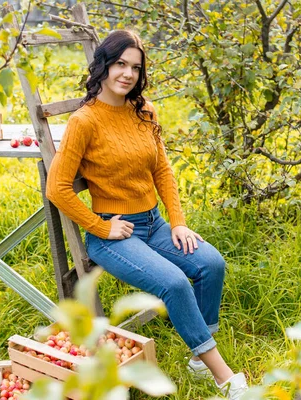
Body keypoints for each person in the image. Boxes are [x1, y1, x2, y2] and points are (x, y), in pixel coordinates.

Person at [47, 30, 248, 399]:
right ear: (104, 66)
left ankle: (199, 358)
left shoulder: (144, 111)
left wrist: (179, 222)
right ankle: (224, 377)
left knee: (211, 264)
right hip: (115, 234)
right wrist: (100, 227)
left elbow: (163, 171)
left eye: (135, 68)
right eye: (120, 64)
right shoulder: (84, 121)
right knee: (173, 283)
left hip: (154, 223)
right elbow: (56, 188)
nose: (127, 74)